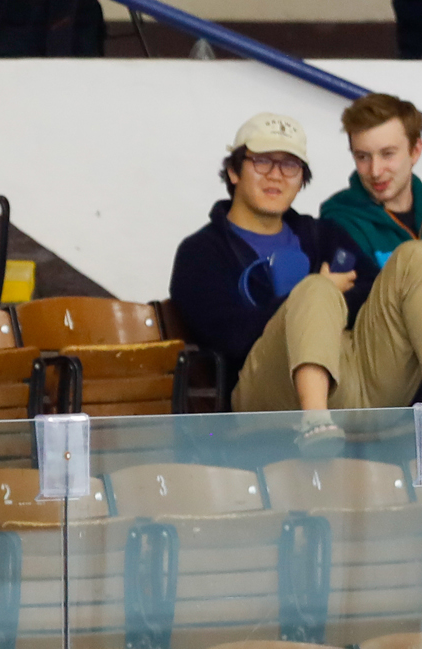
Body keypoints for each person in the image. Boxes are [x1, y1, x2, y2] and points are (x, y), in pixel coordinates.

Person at [166, 112, 416, 450]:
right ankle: (314, 423)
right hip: (266, 397)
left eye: (290, 166)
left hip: (354, 380)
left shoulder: (322, 235)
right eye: (262, 162)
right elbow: (230, 337)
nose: (276, 176)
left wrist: (326, 307)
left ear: (301, 179)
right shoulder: (202, 252)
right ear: (234, 171)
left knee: (413, 256)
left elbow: (373, 292)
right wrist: (310, 298)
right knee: (315, 288)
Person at [321, 93, 422, 273]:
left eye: (387, 154)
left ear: (415, 151)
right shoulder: (339, 221)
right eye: (362, 157)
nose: (375, 171)